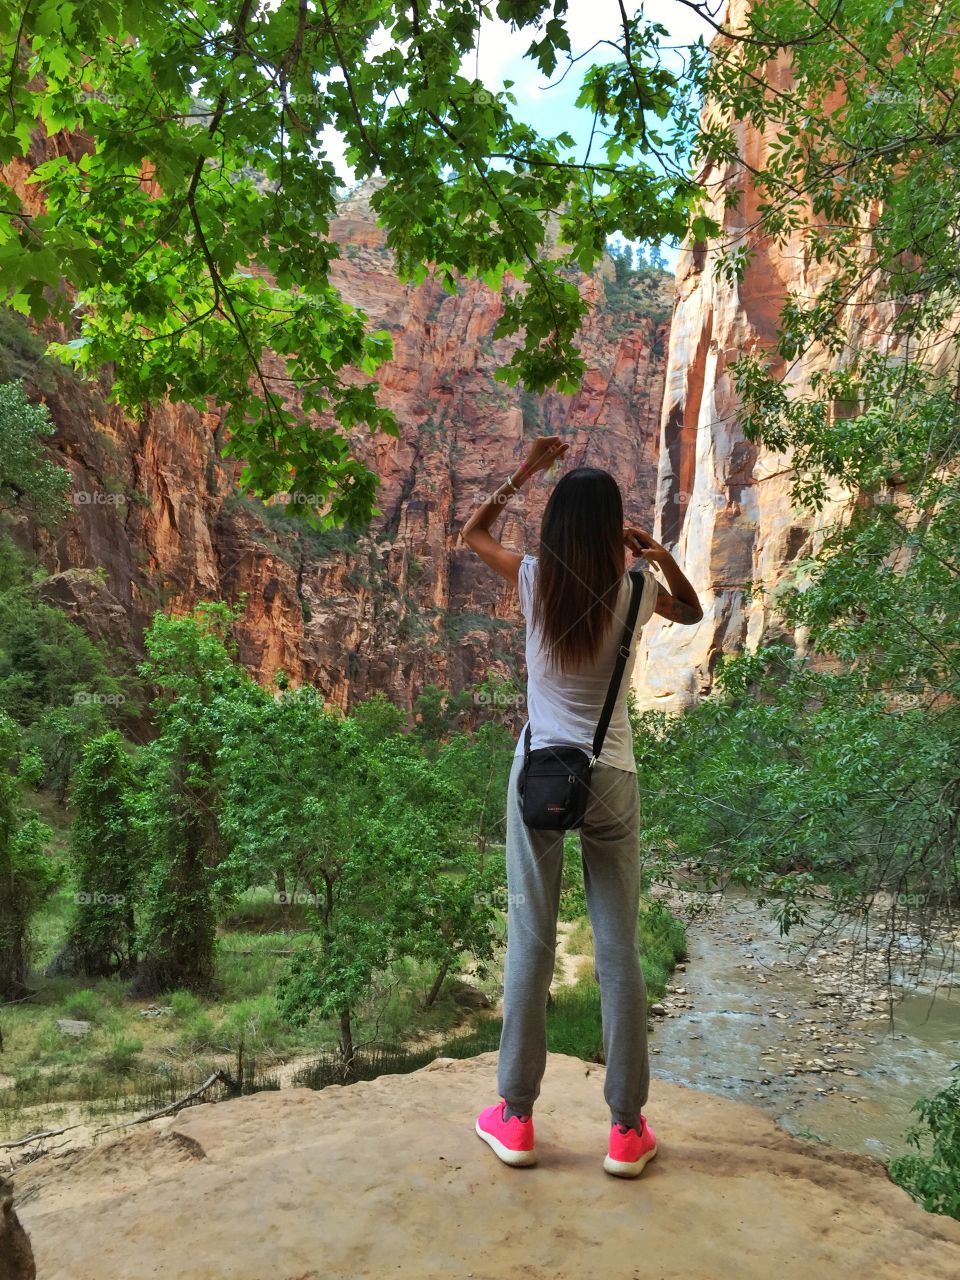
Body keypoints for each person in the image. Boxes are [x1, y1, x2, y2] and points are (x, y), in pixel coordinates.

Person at [460, 434, 703, 1176]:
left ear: (557, 526)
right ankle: (626, 1129)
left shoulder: (535, 579)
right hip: (615, 779)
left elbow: (471, 534)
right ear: (612, 528)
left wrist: (525, 471)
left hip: (539, 774)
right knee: (619, 948)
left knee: (531, 940)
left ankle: (517, 1117)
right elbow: (691, 612)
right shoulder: (634, 590)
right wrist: (654, 551)